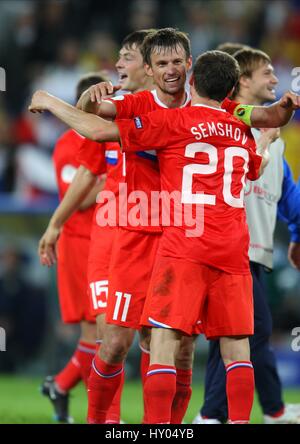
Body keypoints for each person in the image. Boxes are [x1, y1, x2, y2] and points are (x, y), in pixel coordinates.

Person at [29, 31, 300, 422]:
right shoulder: (133, 103)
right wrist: (86, 99)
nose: (170, 70)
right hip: (138, 233)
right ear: (151, 70)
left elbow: (263, 115)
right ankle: (98, 420)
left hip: (181, 240)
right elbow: (98, 119)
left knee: (178, 349)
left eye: (177, 62)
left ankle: (166, 428)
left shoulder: (216, 106)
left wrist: (279, 112)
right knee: (116, 342)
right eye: (162, 64)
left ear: (190, 65)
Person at [193, 48, 300, 425]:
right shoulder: (221, 127)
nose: (275, 79)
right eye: (267, 73)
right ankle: (212, 414)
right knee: (239, 333)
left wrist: (298, 234)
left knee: (247, 333)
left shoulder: (276, 139)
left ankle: (264, 410)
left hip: (254, 252)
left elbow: (288, 196)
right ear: (242, 82)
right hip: (223, 249)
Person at [40, 73, 107, 423]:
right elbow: (76, 200)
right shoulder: (69, 143)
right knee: (97, 332)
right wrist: (113, 178)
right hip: (80, 243)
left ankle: (62, 385)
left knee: (106, 332)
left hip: (106, 242)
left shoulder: (105, 140)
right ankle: (99, 412)